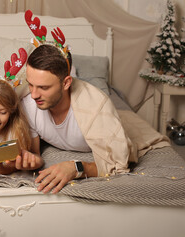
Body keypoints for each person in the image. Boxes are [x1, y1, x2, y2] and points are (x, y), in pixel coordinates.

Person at [20, 44, 136, 194]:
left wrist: (77, 168)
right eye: (30, 85)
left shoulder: (95, 108)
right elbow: (34, 154)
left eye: (44, 87)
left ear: (66, 83)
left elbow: (118, 164)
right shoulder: (28, 105)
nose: (34, 94)